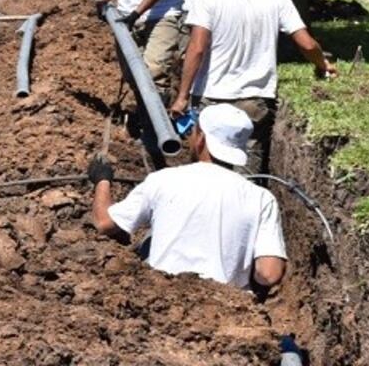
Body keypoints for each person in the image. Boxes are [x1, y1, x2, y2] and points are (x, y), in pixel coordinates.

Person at [170, 0, 337, 174]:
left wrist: (181, 96)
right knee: (248, 169)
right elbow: (307, 44)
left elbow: (197, 48)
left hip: (212, 95)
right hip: (256, 98)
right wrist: (324, 65)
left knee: (207, 168)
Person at [90, 103, 287, 289]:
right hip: (229, 307)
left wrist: (102, 180)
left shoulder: (163, 180)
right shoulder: (261, 198)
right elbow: (268, 274)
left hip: (163, 296)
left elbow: (104, 223)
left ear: (201, 139)